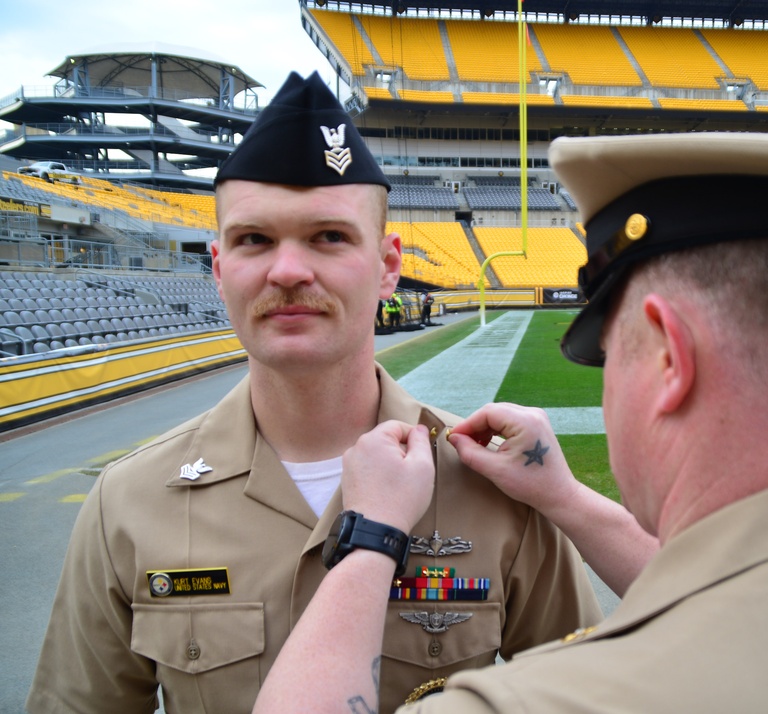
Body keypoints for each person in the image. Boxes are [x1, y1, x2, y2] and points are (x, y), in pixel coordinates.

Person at [252, 132, 768, 714]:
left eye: (609, 357)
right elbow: (742, 602)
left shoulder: (557, 699)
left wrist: (372, 536)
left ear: (672, 357)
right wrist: (568, 502)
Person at [26, 72, 602, 714]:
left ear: (388, 266)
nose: (289, 270)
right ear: (219, 270)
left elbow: (579, 695)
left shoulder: (498, 485)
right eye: (254, 240)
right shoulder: (128, 502)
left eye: (329, 236)